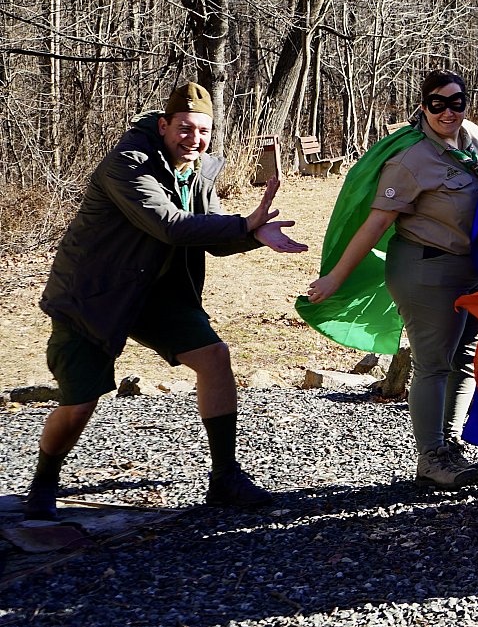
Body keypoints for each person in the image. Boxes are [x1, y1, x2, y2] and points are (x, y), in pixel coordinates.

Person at [25, 83, 307, 520]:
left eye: (203, 131)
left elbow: (209, 232)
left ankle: (225, 478)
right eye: (185, 129)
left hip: (158, 294)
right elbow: (170, 226)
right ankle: (43, 482)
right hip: (96, 294)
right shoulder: (128, 165)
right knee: (80, 400)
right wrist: (241, 223)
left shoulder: (199, 170)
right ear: (163, 126)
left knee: (214, 357)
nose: (194, 140)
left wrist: (252, 234)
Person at [307, 70, 478, 491]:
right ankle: (430, 458)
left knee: (465, 359)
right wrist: (335, 278)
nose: (448, 111)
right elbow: (376, 223)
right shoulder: (410, 159)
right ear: (423, 105)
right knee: (432, 363)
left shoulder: (473, 141)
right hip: (426, 270)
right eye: (437, 103)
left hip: (471, 269)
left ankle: (449, 445)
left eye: (456, 102)